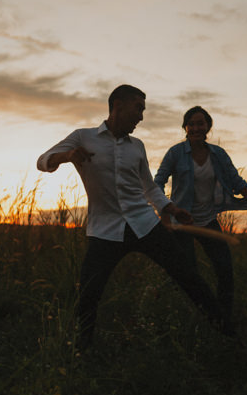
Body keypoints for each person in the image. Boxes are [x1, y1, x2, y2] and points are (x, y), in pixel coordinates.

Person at [36, 85, 230, 350]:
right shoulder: (83, 137)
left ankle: (227, 333)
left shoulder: (137, 146)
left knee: (189, 276)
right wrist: (67, 156)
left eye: (143, 110)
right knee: (89, 294)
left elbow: (149, 187)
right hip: (105, 231)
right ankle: (82, 352)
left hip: (145, 224)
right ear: (117, 105)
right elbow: (43, 160)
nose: (141, 116)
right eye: (138, 108)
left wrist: (170, 208)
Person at [154, 105, 247, 328]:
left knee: (225, 269)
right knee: (190, 275)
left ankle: (222, 319)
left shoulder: (217, 154)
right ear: (185, 127)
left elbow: (237, 182)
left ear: (208, 127)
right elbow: (158, 183)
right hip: (182, 224)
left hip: (208, 221)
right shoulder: (176, 153)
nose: (197, 128)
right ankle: (195, 318)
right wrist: (166, 216)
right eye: (192, 124)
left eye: (201, 123)